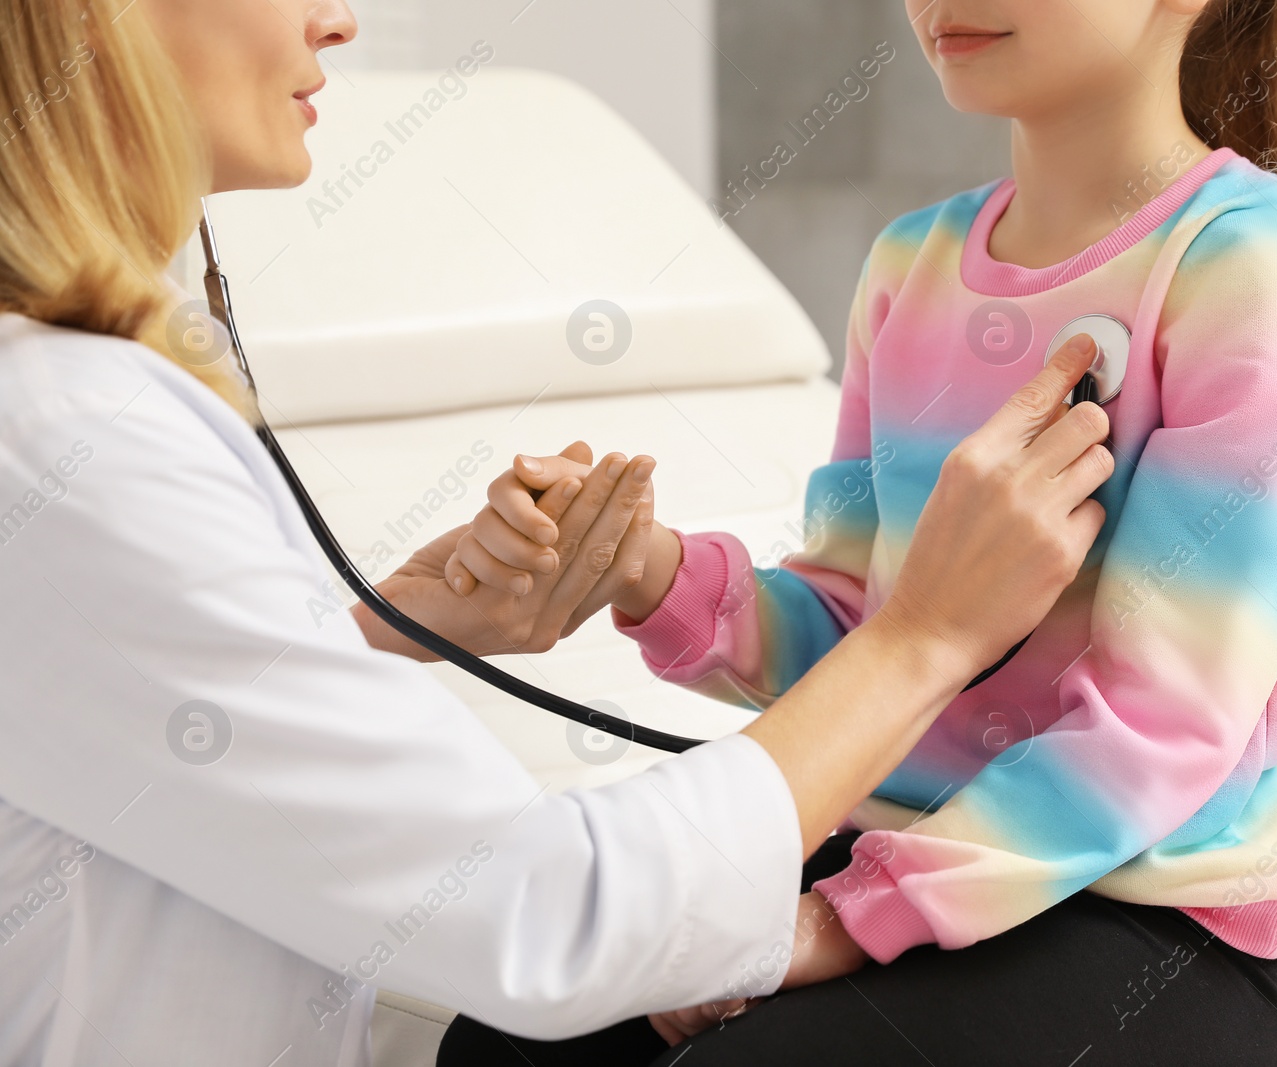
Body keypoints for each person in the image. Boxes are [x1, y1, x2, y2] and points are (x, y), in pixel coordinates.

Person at [0, 0, 1114, 1064]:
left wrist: (379, 633)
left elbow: (126, 712)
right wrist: (924, 636)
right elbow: (555, 917)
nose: (339, 22)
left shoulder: (67, 412)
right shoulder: (63, 430)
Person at [439, 0, 1277, 1063]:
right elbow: (864, 637)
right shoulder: (909, 266)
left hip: (1146, 905)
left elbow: (1163, 727)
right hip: (894, 853)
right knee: (504, 1037)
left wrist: (832, 922)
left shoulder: (1249, 267)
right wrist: (647, 572)